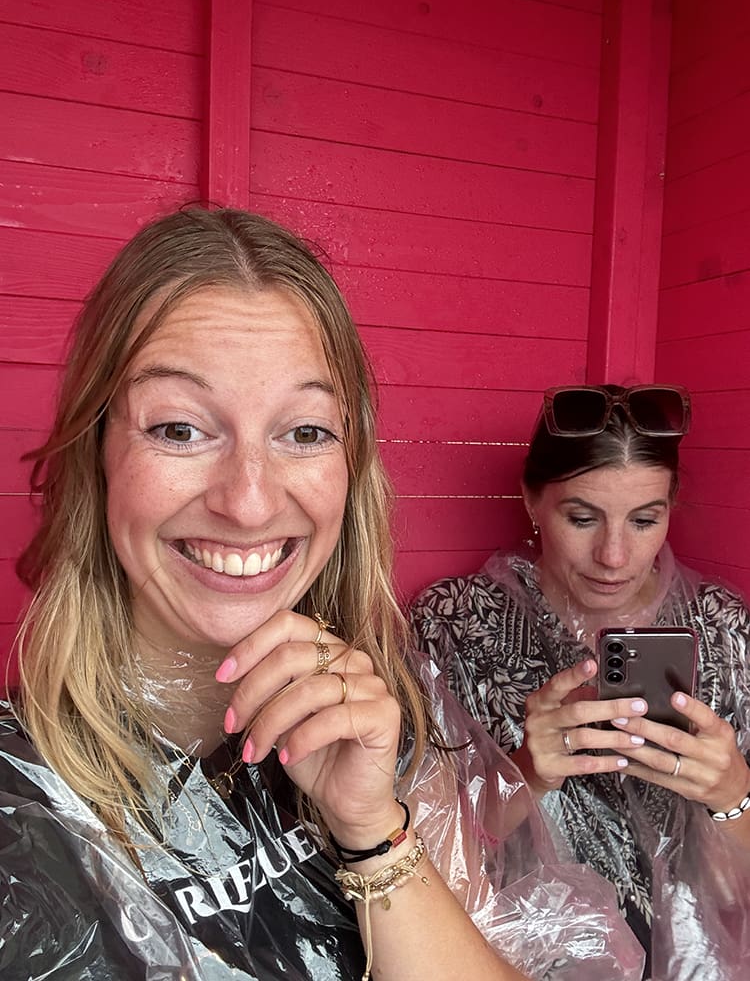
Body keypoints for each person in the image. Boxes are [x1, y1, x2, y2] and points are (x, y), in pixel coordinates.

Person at [0, 212, 643, 981]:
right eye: (179, 429)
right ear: (97, 452)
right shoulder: (20, 808)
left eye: (304, 432)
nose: (248, 502)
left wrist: (372, 832)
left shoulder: (383, 719)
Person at [410, 383, 750, 980]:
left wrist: (732, 794)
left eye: (645, 520)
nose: (614, 556)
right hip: (521, 964)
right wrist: (526, 773)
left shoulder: (723, 629)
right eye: (582, 518)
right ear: (531, 500)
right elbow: (424, 859)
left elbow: (733, 889)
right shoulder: (456, 623)